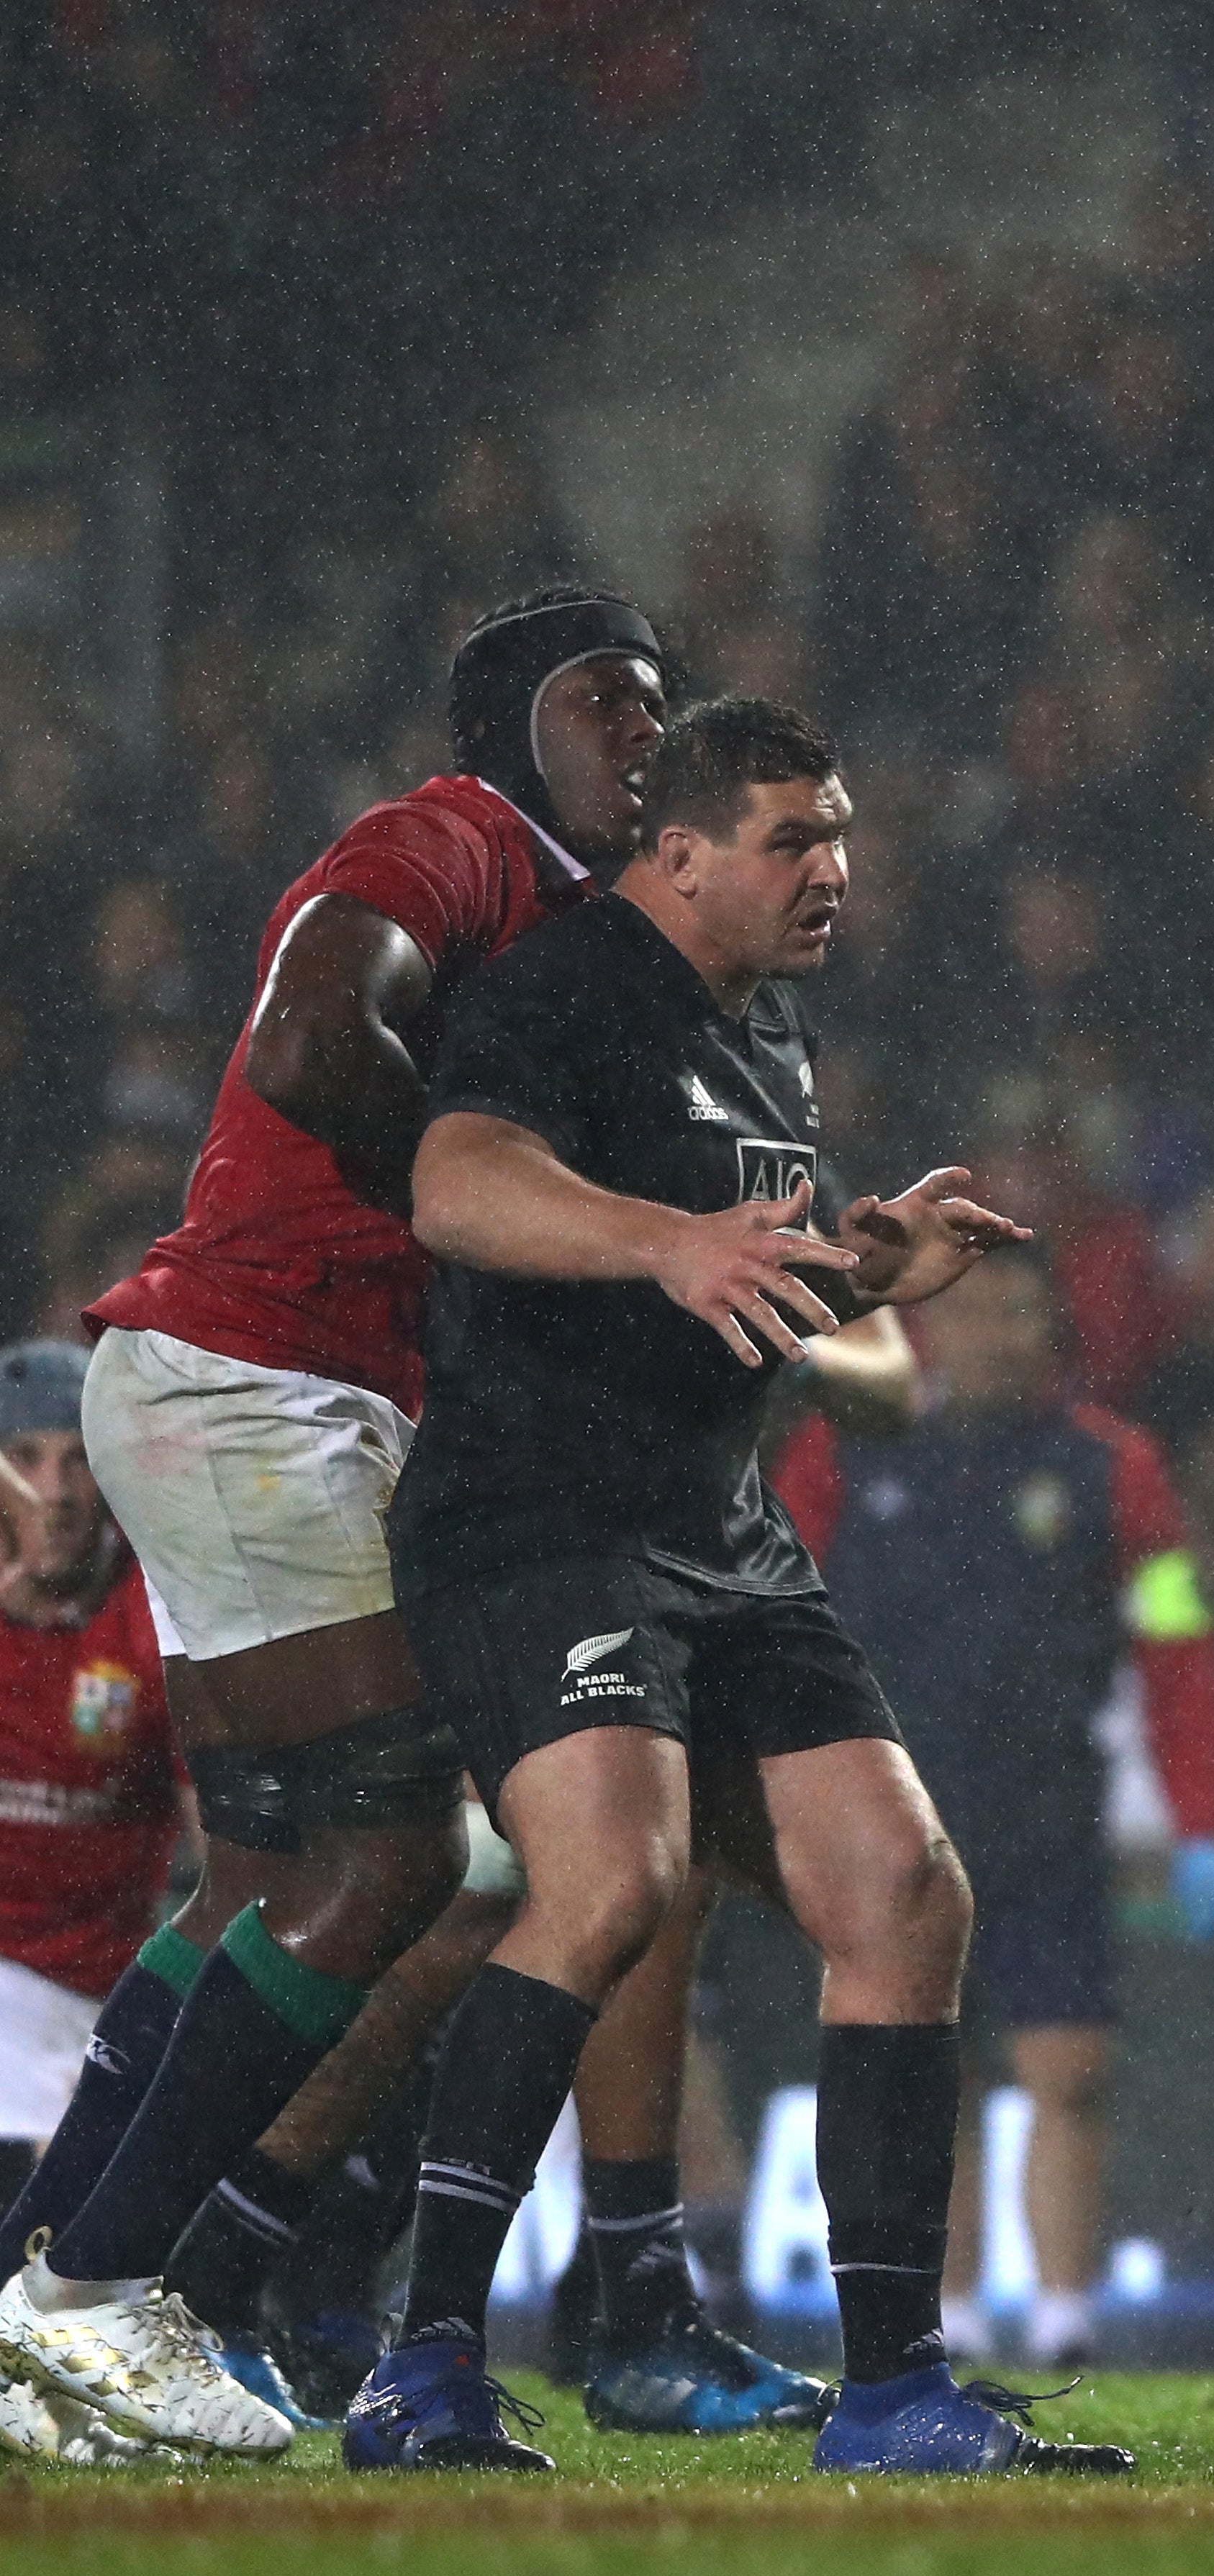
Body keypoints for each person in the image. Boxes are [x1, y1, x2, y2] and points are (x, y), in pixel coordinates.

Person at [0, 588, 817, 2458]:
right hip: (251, 1379)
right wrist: (477, 1182)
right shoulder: (445, 839)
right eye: (603, 702)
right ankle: (116, 2284)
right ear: (508, 732)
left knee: (273, 1874)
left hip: (266, 1391)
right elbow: (305, 1047)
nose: (643, 730)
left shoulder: (584, 939)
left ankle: (62, 2283)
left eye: (660, 706)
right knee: (404, 1869)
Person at [331, 694, 1120, 2478]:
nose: (833, 866)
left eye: (837, 831)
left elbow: (744, 1292)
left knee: (907, 1894)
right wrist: (663, 1236)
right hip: (543, 1518)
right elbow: (459, 1185)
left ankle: (898, 2385)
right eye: (792, 837)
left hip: (723, 1532)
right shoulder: (559, 988)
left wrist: (865, 1269)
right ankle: (426, 2354)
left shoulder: (770, 1044)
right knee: (613, 1884)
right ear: (676, 854)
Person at [794, 1248, 1214, 2372]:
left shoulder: (1110, 1467)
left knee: (1070, 2067)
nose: (1006, 1334)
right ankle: (951, 2310)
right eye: (983, 1313)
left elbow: (1176, 1640)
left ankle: (1064, 2316)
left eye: (1023, 1314)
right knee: (924, 2070)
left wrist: (1206, 1817)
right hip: (895, 1813)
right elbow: (778, 1610)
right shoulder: (846, 1453)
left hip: (1047, 1809)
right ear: (929, 1332)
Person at [0, 1339, 178, 2465]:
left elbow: (233, 1845)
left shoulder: (159, 1618)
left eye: (77, 1459)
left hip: (106, 1992)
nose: (56, 1492)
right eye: (24, 1459)